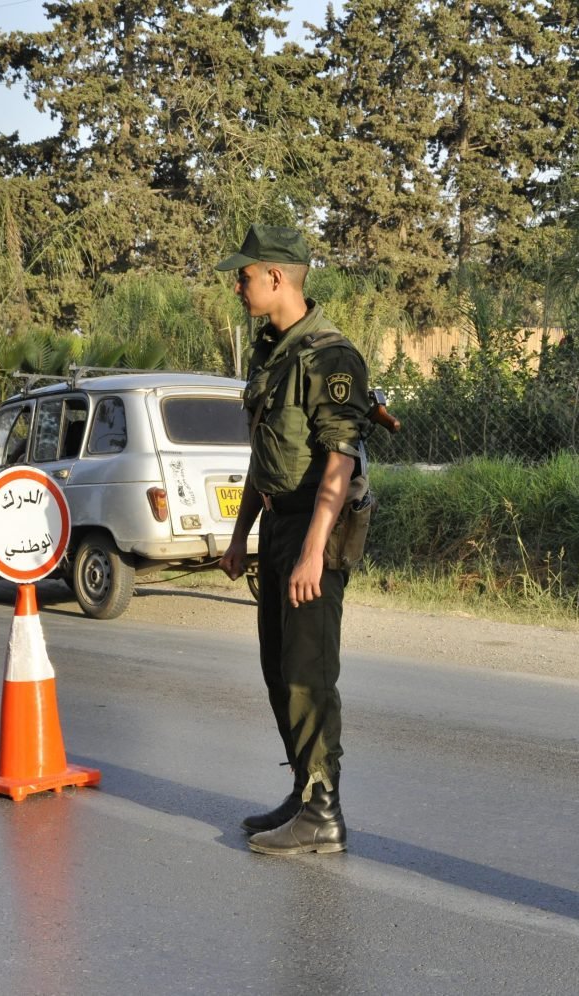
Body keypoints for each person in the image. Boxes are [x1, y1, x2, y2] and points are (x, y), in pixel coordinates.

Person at [218, 224, 370, 856]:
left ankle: (324, 812)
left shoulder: (332, 357)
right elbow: (265, 454)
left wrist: (312, 550)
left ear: (276, 276)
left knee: (308, 672)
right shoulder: (272, 351)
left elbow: (339, 459)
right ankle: (304, 789)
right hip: (279, 521)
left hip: (318, 525)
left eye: (244, 274)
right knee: (277, 665)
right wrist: (239, 536)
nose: (238, 283)